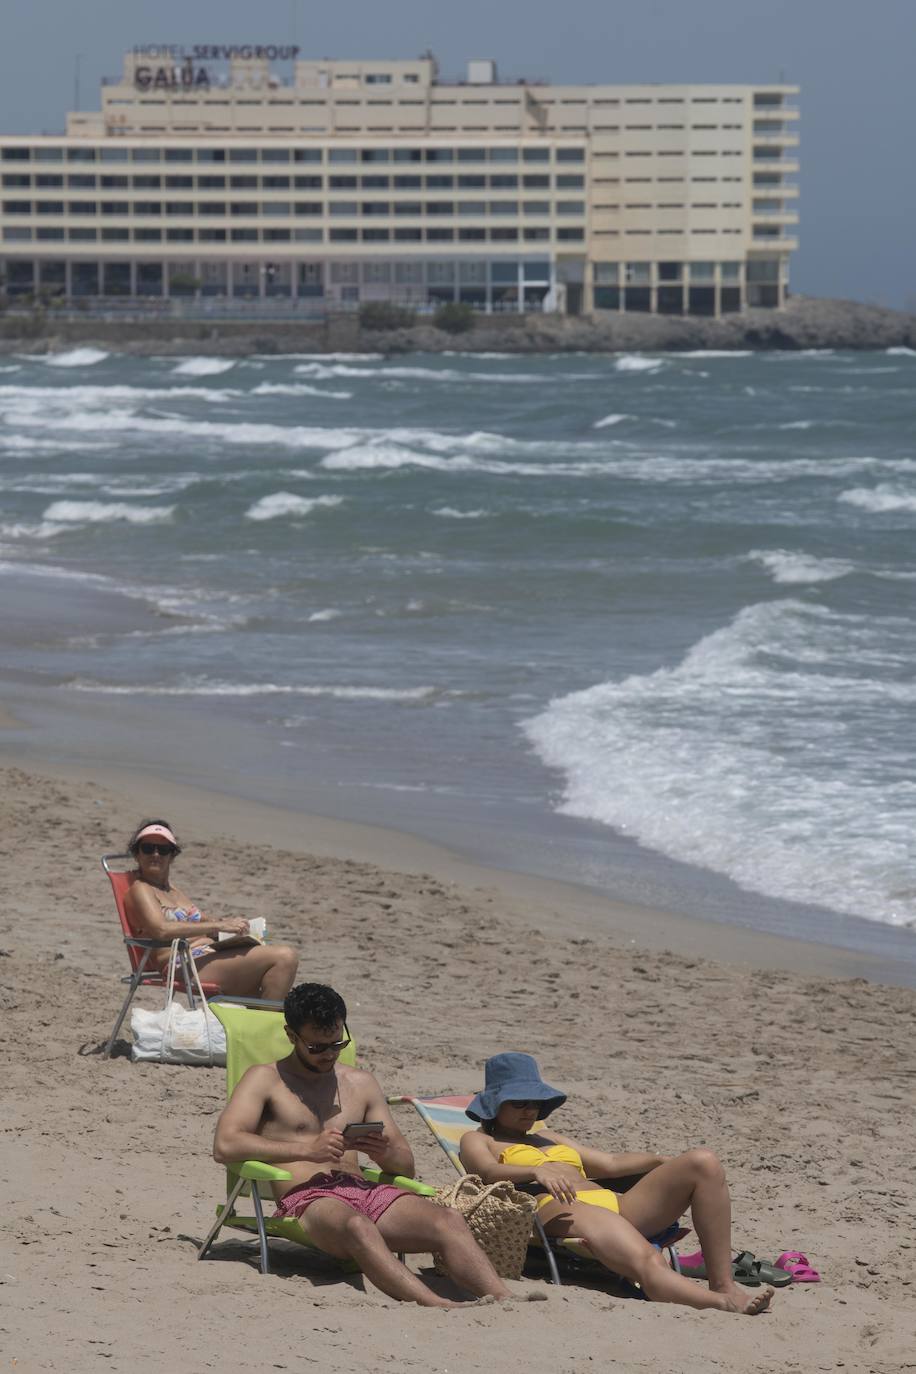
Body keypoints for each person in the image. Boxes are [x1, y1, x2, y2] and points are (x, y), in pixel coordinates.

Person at [212, 983, 516, 1308]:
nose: (329, 1054)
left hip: (365, 1190)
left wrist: (384, 1153)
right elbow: (225, 1145)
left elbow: (404, 1166)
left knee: (449, 1220)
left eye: (337, 1043)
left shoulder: (361, 1083)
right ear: (291, 1035)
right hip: (307, 1199)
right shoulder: (265, 1080)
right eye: (317, 1047)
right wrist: (306, 1150)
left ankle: (503, 1298)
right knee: (358, 1225)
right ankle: (435, 1303)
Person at [459, 1052, 774, 1316]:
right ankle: (720, 1302)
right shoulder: (478, 1140)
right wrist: (535, 1173)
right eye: (519, 1102)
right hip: (563, 1210)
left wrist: (659, 1161)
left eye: (535, 1103)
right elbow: (485, 1173)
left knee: (703, 1162)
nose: (530, 1110)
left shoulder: (547, 1137)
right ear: (494, 1104)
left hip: (615, 1204)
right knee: (647, 1261)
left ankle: (723, 1283)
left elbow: (610, 1164)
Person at [123, 818, 299, 1000]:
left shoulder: (172, 889)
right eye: (148, 848)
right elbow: (160, 929)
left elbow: (205, 921)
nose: (156, 854)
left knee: (270, 975)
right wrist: (219, 927)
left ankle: (259, 1023)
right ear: (137, 854)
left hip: (205, 953)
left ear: (172, 856)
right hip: (178, 963)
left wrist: (231, 924)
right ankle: (267, 1026)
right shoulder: (141, 889)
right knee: (285, 957)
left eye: (164, 849)